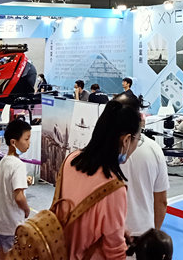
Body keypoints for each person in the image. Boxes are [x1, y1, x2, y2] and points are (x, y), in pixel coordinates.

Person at [56, 94, 141, 260]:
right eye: (138, 139)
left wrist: (116, 229)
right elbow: (115, 253)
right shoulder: (113, 188)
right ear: (126, 140)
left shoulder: (71, 160)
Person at [0, 120, 31, 259]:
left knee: (1, 253)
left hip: (0, 221)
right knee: (12, 255)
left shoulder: (3, 161)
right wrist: (27, 210)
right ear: (14, 142)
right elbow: (19, 197)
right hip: (12, 223)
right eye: (26, 139)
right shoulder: (18, 165)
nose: (29, 143)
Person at [122, 116, 169, 237]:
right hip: (144, 231)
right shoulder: (154, 149)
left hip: (113, 232)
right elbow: (161, 201)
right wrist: (154, 233)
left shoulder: (103, 149)